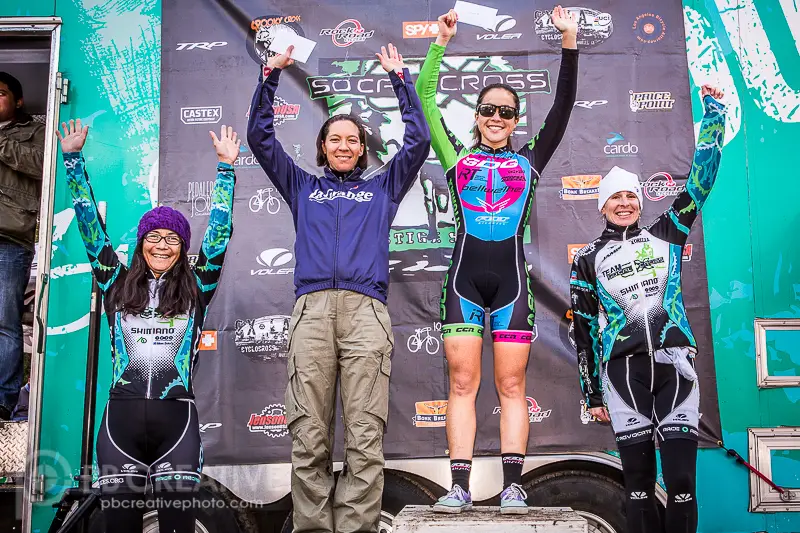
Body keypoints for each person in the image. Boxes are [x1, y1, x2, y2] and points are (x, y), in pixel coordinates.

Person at [247, 43, 430, 533]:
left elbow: (418, 143)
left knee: (366, 435)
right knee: (308, 434)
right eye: (335, 139)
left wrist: (401, 80)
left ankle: (356, 529)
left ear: (363, 148)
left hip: (365, 313)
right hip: (311, 312)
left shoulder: (382, 188)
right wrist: (271, 76)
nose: (345, 146)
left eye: (353, 139)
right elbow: (261, 139)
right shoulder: (301, 186)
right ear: (323, 147)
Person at [417, 6, 578, 514]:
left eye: (507, 112)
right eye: (489, 109)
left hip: (511, 285)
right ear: (477, 115)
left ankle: (513, 485)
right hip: (464, 283)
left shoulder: (530, 161)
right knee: (462, 385)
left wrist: (569, 41)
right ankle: (458, 487)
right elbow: (425, 98)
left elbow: (563, 106)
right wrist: (440, 43)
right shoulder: (457, 160)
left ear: (514, 121)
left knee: (512, 386)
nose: (496, 118)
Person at [57, 119, 238, 533]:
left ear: (182, 249)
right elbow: (89, 226)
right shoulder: (114, 282)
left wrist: (226, 170)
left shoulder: (197, 288)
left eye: (172, 239)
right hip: (119, 425)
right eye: (153, 237)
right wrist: (72, 161)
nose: (161, 245)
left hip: (178, 426)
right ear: (141, 244)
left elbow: (219, 236)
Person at [570, 85, 725, 533]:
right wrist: (591, 392)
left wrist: (713, 113)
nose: (624, 203)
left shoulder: (667, 233)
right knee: (637, 484)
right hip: (622, 377)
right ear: (602, 205)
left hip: (676, 369)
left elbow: (701, 180)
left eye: (631, 196)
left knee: (680, 483)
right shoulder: (586, 259)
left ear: (640, 200)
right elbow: (582, 328)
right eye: (615, 197)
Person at [0, 72, 44, 421]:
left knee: (4, 320)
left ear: (17, 101)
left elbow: (43, 166)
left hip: (9, 237)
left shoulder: (35, 131)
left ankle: (3, 399)